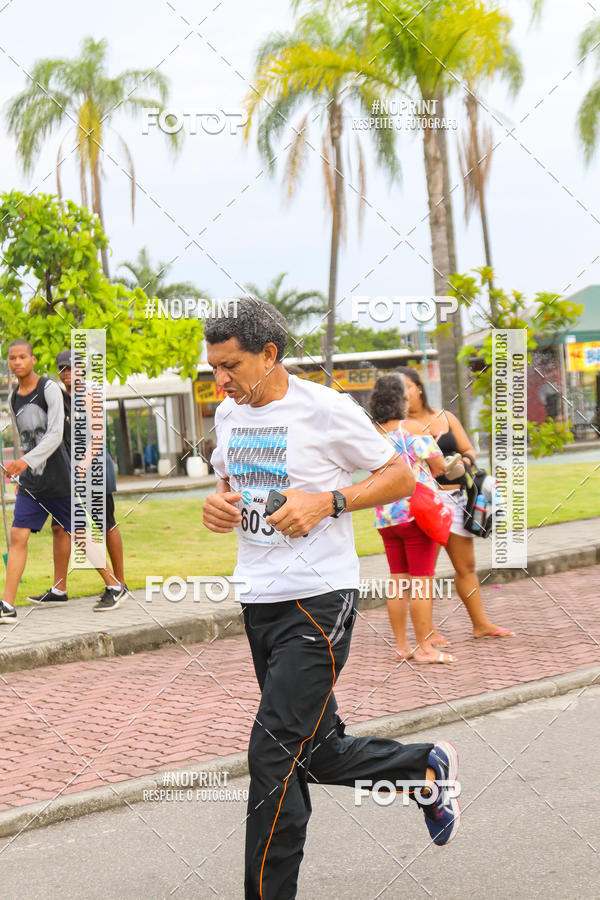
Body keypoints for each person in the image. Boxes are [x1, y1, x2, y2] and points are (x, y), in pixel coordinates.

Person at [202, 299, 461, 900]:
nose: (221, 380)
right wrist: (218, 503)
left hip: (320, 598)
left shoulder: (323, 408)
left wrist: (330, 501)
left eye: (231, 365)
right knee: (313, 752)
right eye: (214, 366)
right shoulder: (229, 415)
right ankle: (426, 768)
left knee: (271, 754)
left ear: (269, 355)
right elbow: (228, 481)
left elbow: (399, 475)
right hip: (258, 598)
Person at [0, 340, 125, 621]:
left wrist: (26, 462)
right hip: (32, 482)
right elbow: (24, 439)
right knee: (18, 536)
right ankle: (7, 605)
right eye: (12, 358)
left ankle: (114, 584)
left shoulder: (50, 390)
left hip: (59, 479)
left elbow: (56, 436)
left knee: (80, 534)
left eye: (22, 357)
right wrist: (21, 469)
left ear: (32, 359)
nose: (17, 362)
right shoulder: (13, 398)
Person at [398, 366, 514, 639]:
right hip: (422, 502)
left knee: (466, 566)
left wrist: (463, 462)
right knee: (422, 572)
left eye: (406, 386)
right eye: (397, 389)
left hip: (458, 499)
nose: (403, 393)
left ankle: (480, 624)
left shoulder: (445, 417)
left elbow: (468, 448)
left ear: (419, 388)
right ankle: (426, 634)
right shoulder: (397, 426)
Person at [369, 374, 453, 663]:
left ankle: (402, 646)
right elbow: (439, 466)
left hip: (386, 516)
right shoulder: (413, 428)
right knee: (421, 582)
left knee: (397, 581)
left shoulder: (372, 433)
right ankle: (424, 648)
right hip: (417, 514)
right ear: (401, 399)